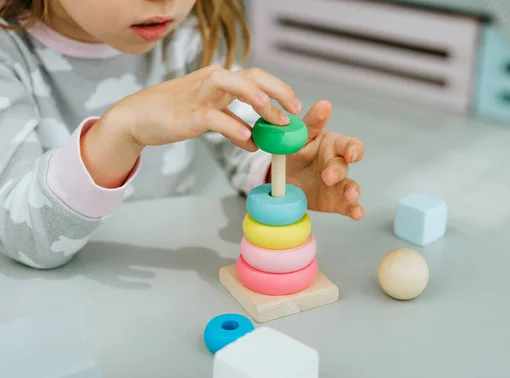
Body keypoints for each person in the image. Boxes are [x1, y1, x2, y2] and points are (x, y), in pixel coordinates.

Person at [0, 0, 364, 269]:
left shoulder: (184, 36)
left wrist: (278, 171)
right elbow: (27, 238)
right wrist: (121, 131)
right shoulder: (7, 56)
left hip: (169, 274)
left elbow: (243, 138)